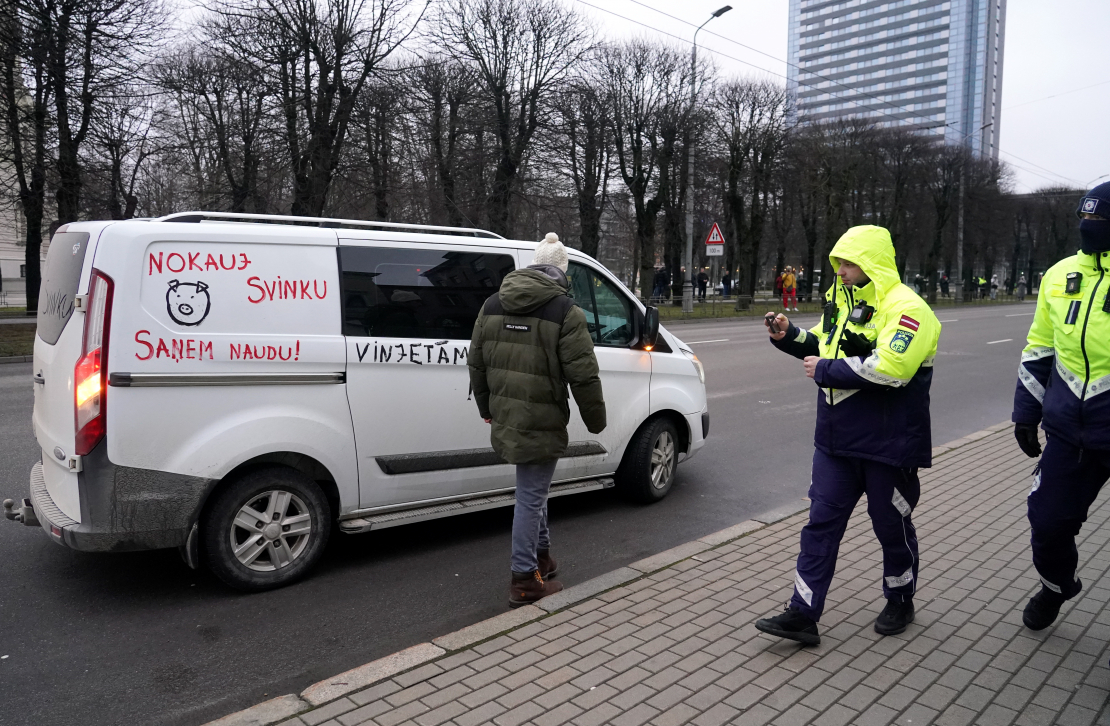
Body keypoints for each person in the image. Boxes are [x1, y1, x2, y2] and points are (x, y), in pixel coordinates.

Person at [754, 225, 941, 645]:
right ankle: (802, 613)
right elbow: (824, 343)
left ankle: (900, 598)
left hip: (887, 446)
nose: (840, 270)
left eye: (849, 262)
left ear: (873, 262)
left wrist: (824, 371)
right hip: (836, 443)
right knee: (820, 525)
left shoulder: (908, 308)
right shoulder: (841, 301)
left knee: (890, 526)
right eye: (837, 262)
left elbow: (891, 368)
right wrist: (790, 338)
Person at [469, 232, 607, 607]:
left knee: (535, 489)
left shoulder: (493, 304)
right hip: (543, 416)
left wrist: (486, 408)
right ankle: (524, 580)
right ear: (562, 270)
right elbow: (583, 374)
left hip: (507, 414)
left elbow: (477, 361)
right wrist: (596, 421)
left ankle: (542, 558)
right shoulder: (564, 311)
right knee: (530, 497)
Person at [1011, 181, 1110, 632]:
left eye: (1100, 220)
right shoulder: (1059, 274)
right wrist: (1026, 413)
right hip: (1071, 431)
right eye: (1084, 219)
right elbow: (1039, 348)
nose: (1089, 227)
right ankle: (1055, 587)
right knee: (1047, 523)